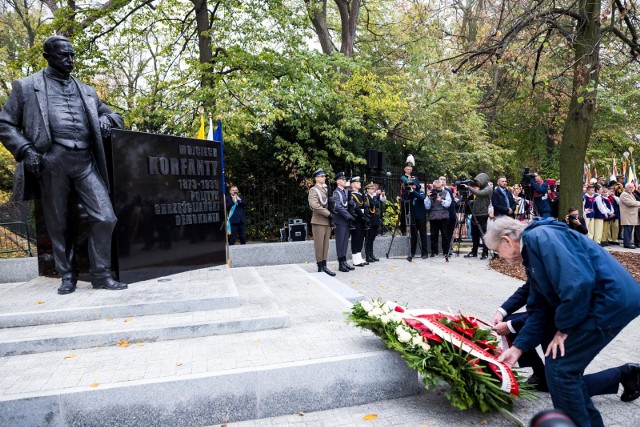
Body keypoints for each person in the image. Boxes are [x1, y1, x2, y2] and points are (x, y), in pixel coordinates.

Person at [0, 35, 127, 295]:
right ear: (47, 57)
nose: (70, 60)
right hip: (52, 161)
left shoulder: (87, 90)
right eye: (63, 56)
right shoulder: (27, 86)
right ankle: (67, 275)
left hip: (85, 161)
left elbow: (115, 115)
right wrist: (25, 150)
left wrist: (107, 120)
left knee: (105, 217)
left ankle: (101, 274)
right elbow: (5, 123)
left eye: (72, 55)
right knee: (59, 223)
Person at [485, 216, 640, 426]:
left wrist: (564, 329)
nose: (500, 257)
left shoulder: (540, 237)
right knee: (562, 369)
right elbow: (541, 306)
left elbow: (576, 283)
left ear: (506, 240)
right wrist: (518, 348)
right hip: (603, 301)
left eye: (496, 251)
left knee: (561, 369)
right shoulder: (534, 246)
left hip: (609, 301)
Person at [493, 281, 640, 400]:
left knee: (565, 386)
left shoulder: (552, 256)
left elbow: (551, 310)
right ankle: (541, 375)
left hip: (581, 321)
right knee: (511, 323)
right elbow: (529, 287)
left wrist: (510, 325)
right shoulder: (539, 254)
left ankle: (624, 373)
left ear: (508, 242)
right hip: (558, 319)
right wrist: (502, 312)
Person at [308, 168, 335, 276]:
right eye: (322, 176)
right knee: (319, 245)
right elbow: (315, 206)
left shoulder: (325, 189)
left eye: (324, 176)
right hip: (319, 221)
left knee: (326, 245)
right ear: (316, 178)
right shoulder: (313, 190)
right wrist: (329, 214)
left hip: (327, 221)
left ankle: (324, 265)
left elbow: (329, 203)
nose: (324, 178)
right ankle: (320, 266)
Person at [464, 173, 491, 260]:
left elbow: (479, 193)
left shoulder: (488, 189)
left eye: (479, 181)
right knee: (474, 234)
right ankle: (474, 252)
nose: (477, 183)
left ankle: (485, 252)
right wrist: (470, 202)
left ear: (484, 180)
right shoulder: (481, 189)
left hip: (482, 215)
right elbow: (478, 200)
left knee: (483, 235)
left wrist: (468, 187)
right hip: (475, 215)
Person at [333, 172, 355, 272]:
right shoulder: (336, 192)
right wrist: (348, 215)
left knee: (345, 242)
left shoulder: (346, 192)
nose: (345, 181)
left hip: (346, 221)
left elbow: (351, 204)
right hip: (340, 220)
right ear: (338, 181)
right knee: (340, 242)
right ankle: (340, 263)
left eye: (345, 179)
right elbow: (337, 206)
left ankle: (344, 261)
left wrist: (352, 205)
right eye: (342, 179)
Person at [425, 179, 452, 257]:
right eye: (435, 188)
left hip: (444, 216)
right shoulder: (431, 193)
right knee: (433, 235)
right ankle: (434, 252)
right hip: (433, 216)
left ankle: (446, 252)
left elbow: (448, 204)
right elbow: (427, 206)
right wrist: (428, 198)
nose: (436, 190)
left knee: (445, 235)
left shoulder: (446, 192)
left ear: (442, 186)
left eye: (438, 188)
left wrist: (441, 200)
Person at [405, 178, 428, 262]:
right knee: (413, 236)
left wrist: (413, 191)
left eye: (413, 185)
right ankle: (412, 253)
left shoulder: (420, 192)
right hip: (413, 217)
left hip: (421, 217)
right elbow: (405, 200)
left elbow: (422, 198)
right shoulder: (410, 193)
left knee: (423, 235)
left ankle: (425, 253)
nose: (412, 186)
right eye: (411, 185)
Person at [349, 176, 368, 267]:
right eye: (357, 182)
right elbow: (355, 208)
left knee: (361, 238)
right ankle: (355, 259)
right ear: (352, 184)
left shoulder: (360, 194)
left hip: (362, 219)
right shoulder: (352, 195)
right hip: (356, 219)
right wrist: (362, 215)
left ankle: (359, 257)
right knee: (355, 239)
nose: (359, 183)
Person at [364, 182, 384, 262]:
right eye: (371, 189)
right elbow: (373, 204)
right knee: (368, 238)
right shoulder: (367, 197)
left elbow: (377, 205)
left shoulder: (373, 197)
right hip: (370, 219)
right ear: (367, 190)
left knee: (372, 238)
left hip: (375, 219)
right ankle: (367, 255)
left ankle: (371, 254)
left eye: (373, 188)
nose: (373, 190)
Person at [619, 182, 640, 249]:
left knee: (630, 230)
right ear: (625, 187)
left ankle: (628, 243)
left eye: (632, 187)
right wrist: (639, 203)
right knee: (627, 230)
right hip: (627, 215)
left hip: (631, 216)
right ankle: (627, 244)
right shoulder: (624, 194)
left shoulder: (630, 194)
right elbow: (630, 203)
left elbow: (634, 203)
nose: (631, 189)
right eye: (629, 187)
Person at [398, 162, 415, 235]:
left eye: (410, 169)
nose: (409, 170)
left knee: (413, 213)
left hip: (412, 197)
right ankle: (403, 230)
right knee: (404, 214)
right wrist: (411, 182)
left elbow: (416, 186)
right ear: (405, 170)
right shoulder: (402, 177)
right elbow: (405, 184)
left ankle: (413, 229)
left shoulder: (413, 177)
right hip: (405, 198)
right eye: (407, 169)